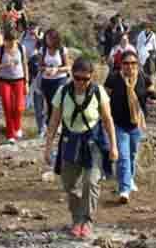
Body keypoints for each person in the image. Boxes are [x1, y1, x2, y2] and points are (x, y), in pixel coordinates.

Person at [43, 58, 118, 239]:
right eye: (77, 78)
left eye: (85, 79)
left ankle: (87, 221)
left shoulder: (99, 92)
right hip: (70, 140)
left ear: (91, 77)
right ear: (72, 76)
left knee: (91, 182)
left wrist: (113, 146)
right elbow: (54, 121)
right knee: (70, 184)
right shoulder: (63, 92)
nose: (81, 83)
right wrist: (48, 147)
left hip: (93, 141)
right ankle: (77, 219)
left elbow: (108, 120)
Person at [105, 51, 154, 203]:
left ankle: (129, 179)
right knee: (123, 157)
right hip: (118, 124)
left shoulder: (141, 76)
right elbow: (105, 97)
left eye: (133, 63)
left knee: (132, 154)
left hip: (136, 123)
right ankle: (124, 189)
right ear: (121, 64)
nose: (130, 66)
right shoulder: (114, 77)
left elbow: (150, 86)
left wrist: (151, 95)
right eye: (126, 63)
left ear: (137, 64)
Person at [0, 28, 29, 143]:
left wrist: (27, 82)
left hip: (19, 80)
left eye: (13, 41)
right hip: (4, 81)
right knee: (7, 107)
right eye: (8, 41)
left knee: (18, 107)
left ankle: (17, 126)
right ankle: (10, 134)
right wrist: (4, 65)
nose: (11, 44)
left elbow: (25, 64)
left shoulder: (21, 48)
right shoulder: (0, 49)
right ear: (5, 40)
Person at [40, 28, 71, 131]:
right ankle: (51, 124)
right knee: (49, 102)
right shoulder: (43, 50)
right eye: (46, 38)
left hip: (59, 79)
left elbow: (68, 67)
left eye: (49, 38)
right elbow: (39, 66)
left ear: (55, 39)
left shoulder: (62, 50)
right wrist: (46, 69)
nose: (47, 40)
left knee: (57, 102)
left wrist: (56, 69)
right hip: (46, 80)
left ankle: (59, 124)